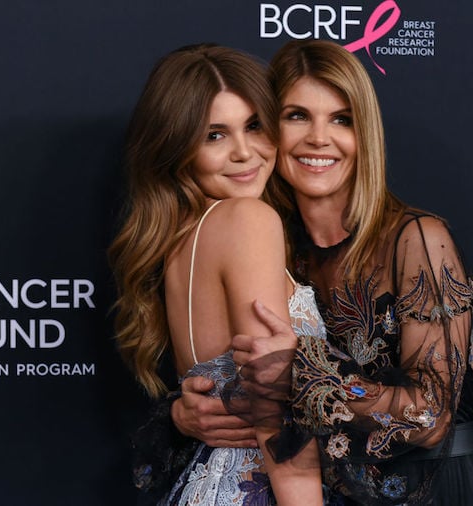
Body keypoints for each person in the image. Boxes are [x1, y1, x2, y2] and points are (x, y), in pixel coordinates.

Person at [175, 39, 473, 505]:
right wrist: (186, 413)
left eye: (341, 119)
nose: (318, 139)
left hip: (426, 494)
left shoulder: (418, 240)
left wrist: (300, 372)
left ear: (364, 133)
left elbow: (432, 419)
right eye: (296, 116)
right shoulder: (272, 246)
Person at [108, 43, 324, 506]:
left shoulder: (182, 240)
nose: (245, 152)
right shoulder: (247, 219)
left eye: (254, 126)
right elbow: (273, 402)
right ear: (176, 147)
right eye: (214, 136)